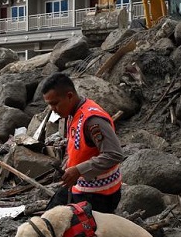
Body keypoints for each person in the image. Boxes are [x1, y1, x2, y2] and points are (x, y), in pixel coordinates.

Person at [41, 72, 125, 214]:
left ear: (69, 96)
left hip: (99, 195)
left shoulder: (92, 120)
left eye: (55, 104)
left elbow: (114, 154)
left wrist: (78, 170)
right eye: (49, 105)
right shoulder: (72, 113)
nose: (53, 110)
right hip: (80, 185)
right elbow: (79, 148)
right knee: (47, 221)